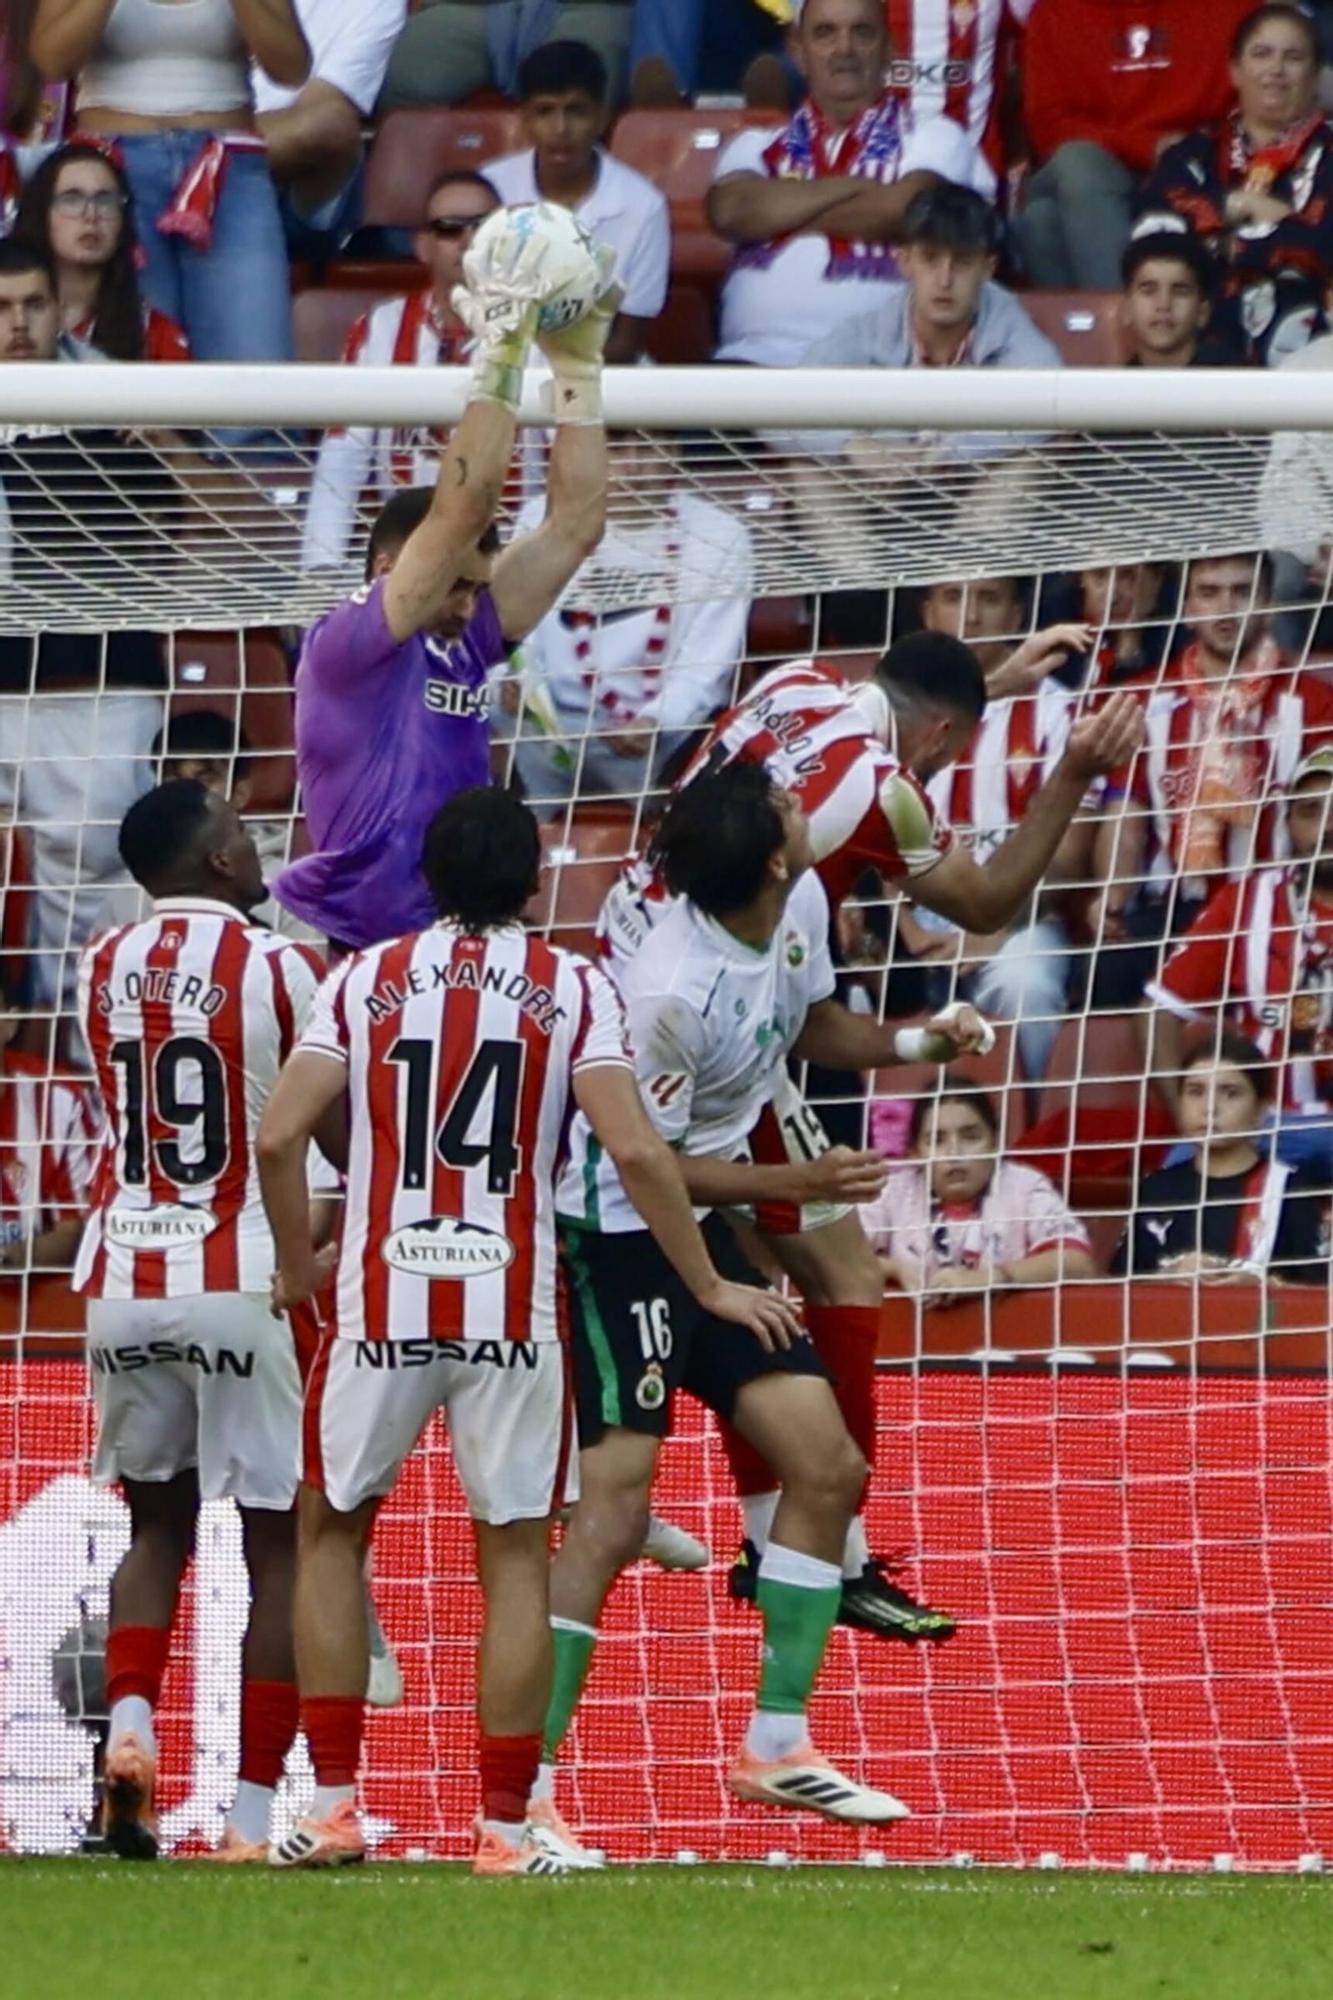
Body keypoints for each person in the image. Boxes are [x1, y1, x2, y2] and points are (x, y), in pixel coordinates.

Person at [255, 785, 799, 1875]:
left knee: (330, 1533)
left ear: (426, 878)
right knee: (510, 1559)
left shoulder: (364, 976)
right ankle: (504, 1827)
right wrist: (707, 1285)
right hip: (512, 1298)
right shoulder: (572, 984)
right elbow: (640, 1153)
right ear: (535, 879)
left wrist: (295, 1259)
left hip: (381, 1298)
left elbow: (277, 1135)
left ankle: (330, 1808)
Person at [600, 638, 1141, 1637]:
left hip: (654, 959)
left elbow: (893, 711)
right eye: (947, 752)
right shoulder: (879, 788)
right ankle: (809, 1550)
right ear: (935, 734)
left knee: (780, 1270)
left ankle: (770, 1539)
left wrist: (994, 684)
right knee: (834, 1274)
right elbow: (982, 902)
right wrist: (1071, 768)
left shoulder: (792, 682)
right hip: (706, 1034)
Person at [541, 765, 994, 1856]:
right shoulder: (667, 990)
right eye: (791, 807)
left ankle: (775, 1745)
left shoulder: (791, 905)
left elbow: (811, 1023)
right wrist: (768, 1213)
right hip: (617, 1247)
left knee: (829, 1467)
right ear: (778, 854)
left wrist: (921, 1042)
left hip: (706, 1247)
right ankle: (526, 1786)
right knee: (608, 1513)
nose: (806, 799)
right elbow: (644, 1162)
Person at [74, 779, 326, 1862]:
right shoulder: (280, 966)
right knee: (281, 1549)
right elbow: (322, 1116)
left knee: (154, 1529)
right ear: (220, 864)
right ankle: (253, 1812)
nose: (255, 843)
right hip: (244, 1274)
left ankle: (128, 1731)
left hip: (125, 1274)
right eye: (243, 832)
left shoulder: (98, 964)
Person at [273, 203, 614, 954]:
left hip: (466, 938)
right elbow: (463, 510)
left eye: (475, 585)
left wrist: (576, 371)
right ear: (390, 570)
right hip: (363, 949)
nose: (472, 604)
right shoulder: (344, 646)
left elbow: (575, 525)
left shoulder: (465, 638)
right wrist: (501, 346)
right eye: (458, 584)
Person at [0, 237, 193, 1015]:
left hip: (98, 696)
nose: (18, 323)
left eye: (33, 304)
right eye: (2, 308)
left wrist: (167, 441)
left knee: (93, 901)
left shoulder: (120, 398)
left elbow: (223, 523)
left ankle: (81, 1085)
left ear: (62, 308)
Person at [1089, 553, 1333, 983]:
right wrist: (1113, 895)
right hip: (1172, 906)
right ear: (1185, 606)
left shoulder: (1314, 699)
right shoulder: (1142, 699)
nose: (1226, 608)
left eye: (1242, 592)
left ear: (1268, 603)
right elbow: (1125, 812)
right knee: (1099, 978)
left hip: (1278, 907)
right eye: (1209, 592)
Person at [29, 0, 310, 366]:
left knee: (257, 363)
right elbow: (51, 60)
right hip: (116, 169)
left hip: (226, 166)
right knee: (135, 354)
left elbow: (291, 68)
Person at [707, 0, 985, 368]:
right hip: (748, 366)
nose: (844, 49)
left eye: (862, 32)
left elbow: (905, 213)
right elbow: (730, 211)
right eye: (825, 33)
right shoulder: (755, 144)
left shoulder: (934, 136)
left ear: (890, 48)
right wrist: (860, 189)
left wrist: (778, 212)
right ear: (798, 51)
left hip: (875, 375)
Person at [502, 433, 753, 814]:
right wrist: (517, 682)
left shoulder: (722, 537)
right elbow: (517, 640)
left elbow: (706, 673)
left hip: (660, 741)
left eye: (648, 446)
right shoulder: (540, 520)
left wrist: (656, 720)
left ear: (673, 450)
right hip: (545, 732)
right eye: (616, 447)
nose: (633, 466)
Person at [1145, 749, 1333, 1180]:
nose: (1328, 825)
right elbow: (1156, 1011)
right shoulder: (1248, 902)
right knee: (1178, 1179)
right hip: (1262, 1124)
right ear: (1288, 824)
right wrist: (1193, 1118)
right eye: (1311, 810)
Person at [300, 170, 501, 572]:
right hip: (405, 554)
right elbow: (343, 455)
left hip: (505, 553)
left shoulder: (541, 334)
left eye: (485, 227)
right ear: (423, 246)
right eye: (450, 229)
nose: (469, 241)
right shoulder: (382, 328)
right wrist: (319, 572)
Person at [1136, 5, 1333, 365]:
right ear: (1235, 71)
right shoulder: (1193, 155)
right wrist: (1244, 209)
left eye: (1293, 57)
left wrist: (1221, 237)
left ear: (1316, 76)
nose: (1276, 70)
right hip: (1195, 347)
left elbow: (1325, 249)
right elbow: (1155, 233)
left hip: (1311, 350)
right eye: (1261, 54)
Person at [1017, 0, 1254, 290]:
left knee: (1041, 222)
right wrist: (1145, 145)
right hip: (1090, 168)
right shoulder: (1055, 12)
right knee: (1079, 165)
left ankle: (1117, 326)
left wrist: (1186, 153)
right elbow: (1049, 125)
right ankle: (1134, 319)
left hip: (1192, 166)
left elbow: (1250, 105)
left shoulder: (1230, 8)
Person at [482, 40, 669, 363]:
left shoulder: (644, 206)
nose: (560, 129)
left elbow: (627, 342)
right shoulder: (489, 190)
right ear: (524, 119)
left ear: (602, 117)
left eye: (576, 111)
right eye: (544, 112)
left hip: (606, 380)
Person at [1113, 1031, 1330, 1281]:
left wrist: (1260, 1286)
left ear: (1260, 1111)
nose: (1209, 1108)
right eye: (1196, 1092)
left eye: (1230, 1093)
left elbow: (1319, 1298)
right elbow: (1118, 1290)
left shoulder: (1291, 1189)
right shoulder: (1155, 1189)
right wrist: (1168, 1277)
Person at [802, 180, 1060, 372]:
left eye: (962, 262)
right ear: (905, 261)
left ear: (987, 269)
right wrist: (852, 444)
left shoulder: (1008, 324)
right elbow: (785, 408)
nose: (944, 280)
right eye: (930, 259)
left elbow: (1052, 405)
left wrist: (949, 446)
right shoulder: (871, 331)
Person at [867, 1087, 1095, 1302]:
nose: (954, 1153)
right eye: (937, 1140)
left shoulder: (1024, 1185)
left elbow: (1078, 1262)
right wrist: (895, 1269)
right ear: (915, 1153)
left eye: (971, 1137)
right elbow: (836, 1258)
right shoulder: (893, 1192)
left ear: (995, 1143)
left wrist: (989, 1279)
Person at [14, 140, 190, 361]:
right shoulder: (10, 322)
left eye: (105, 200)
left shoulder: (155, 333)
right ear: (41, 213)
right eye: (72, 199)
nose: (91, 215)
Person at [252, 0, 405, 250]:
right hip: (186, 155)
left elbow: (321, 116)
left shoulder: (372, 5)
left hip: (275, 193)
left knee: (331, 123)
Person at [0, 964, 99, 1275]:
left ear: (10, 1021)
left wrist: (6, 1259)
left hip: (31, 1302)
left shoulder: (60, 1100)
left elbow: (76, 1230)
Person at [379, 0, 635, 110]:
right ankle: (428, 204)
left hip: (583, 8)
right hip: (467, 7)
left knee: (578, 84)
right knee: (404, 76)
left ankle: (579, 203)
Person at [1119, 232, 1239, 371]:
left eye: (1180, 292)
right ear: (1127, 308)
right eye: (1149, 291)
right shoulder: (1114, 388)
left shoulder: (1237, 382)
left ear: (1203, 312)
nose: (1164, 305)